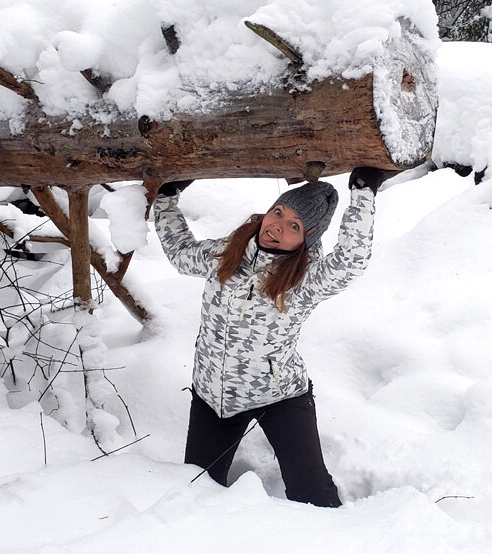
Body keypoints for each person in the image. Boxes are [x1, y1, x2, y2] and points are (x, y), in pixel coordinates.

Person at [152, 167, 394, 508]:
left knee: (312, 492)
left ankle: (336, 551)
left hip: (279, 397)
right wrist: (166, 198)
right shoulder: (229, 251)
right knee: (196, 490)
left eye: (294, 226)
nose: (277, 227)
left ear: (307, 238)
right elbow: (181, 253)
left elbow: (348, 264)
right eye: (277, 212)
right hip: (213, 399)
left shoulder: (306, 277)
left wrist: (363, 194)